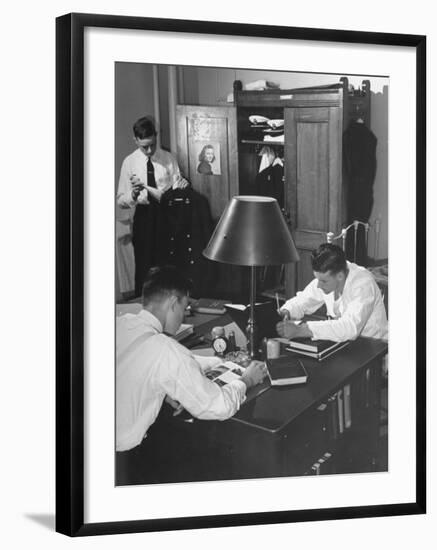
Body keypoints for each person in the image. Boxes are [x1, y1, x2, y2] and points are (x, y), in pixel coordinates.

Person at [116, 265, 267, 454]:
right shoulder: (166, 351)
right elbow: (218, 406)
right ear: (172, 303)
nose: (184, 315)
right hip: (124, 459)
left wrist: (218, 363)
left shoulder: (118, 324)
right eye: (184, 306)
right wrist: (247, 380)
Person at [116, 116, 189, 296]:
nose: (149, 150)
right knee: (144, 265)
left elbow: (177, 186)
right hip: (143, 216)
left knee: (166, 264)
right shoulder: (129, 162)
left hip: (167, 216)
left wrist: (180, 187)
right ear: (136, 140)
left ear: (156, 137)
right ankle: (143, 307)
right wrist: (132, 195)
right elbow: (120, 200)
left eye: (152, 145)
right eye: (144, 146)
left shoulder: (168, 159)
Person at [276, 243, 388, 342]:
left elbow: (350, 328)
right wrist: (287, 311)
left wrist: (302, 330)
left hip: (374, 348)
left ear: (340, 276)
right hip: (345, 345)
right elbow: (303, 300)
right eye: (317, 279)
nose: (319, 285)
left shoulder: (363, 284)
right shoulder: (330, 277)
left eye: (323, 281)